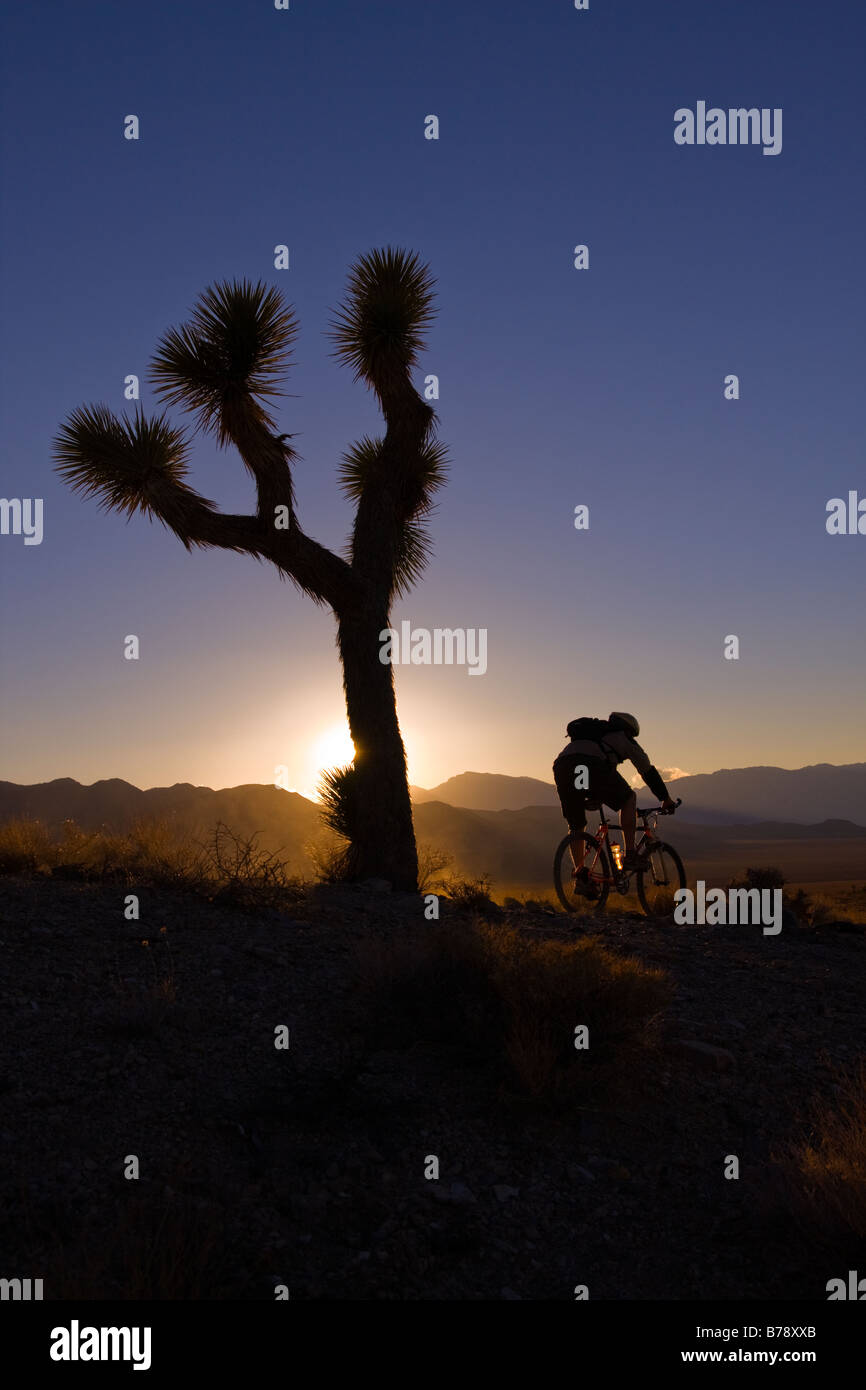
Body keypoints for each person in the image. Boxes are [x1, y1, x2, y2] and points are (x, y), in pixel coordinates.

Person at [553, 712, 677, 895]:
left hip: (563, 765)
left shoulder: (593, 735)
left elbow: (580, 770)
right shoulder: (623, 737)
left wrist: (590, 793)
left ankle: (581, 877)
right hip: (591, 764)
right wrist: (665, 798)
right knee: (628, 799)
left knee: (576, 824)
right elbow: (647, 770)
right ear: (630, 729)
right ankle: (631, 855)